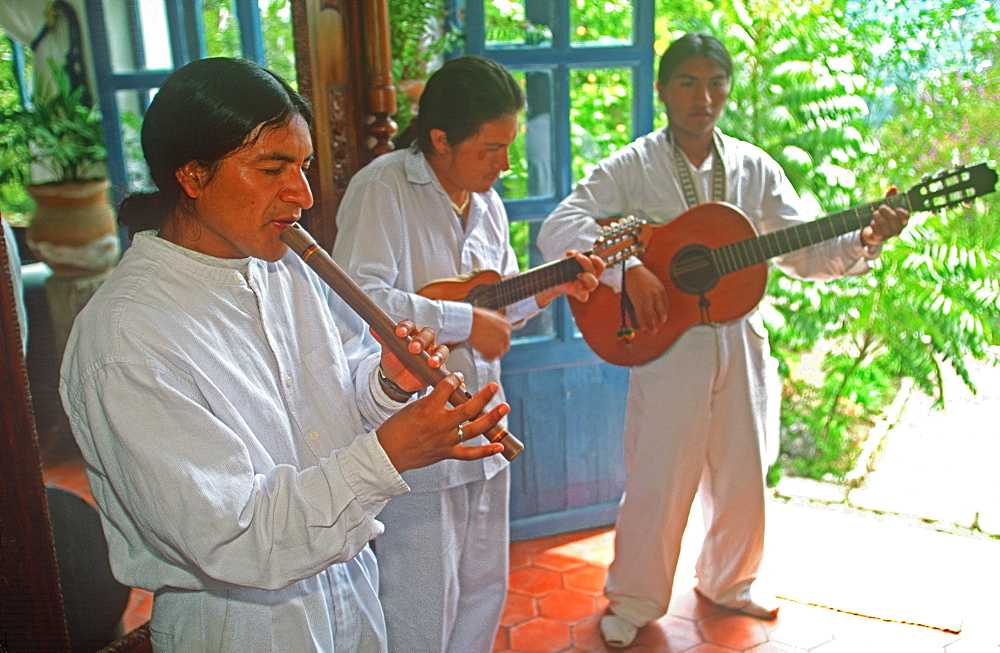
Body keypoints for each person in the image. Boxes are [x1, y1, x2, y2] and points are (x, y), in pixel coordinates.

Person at [58, 57, 510, 653]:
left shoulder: (280, 267)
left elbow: (320, 416)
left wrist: (387, 384)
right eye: (273, 168)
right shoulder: (125, 339)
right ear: (192, 175)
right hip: (243, 627)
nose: (301, 193)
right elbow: (234, 535)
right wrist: (391, 453)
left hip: (345, 590)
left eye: (302, 166)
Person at [536, 32, 910, 648]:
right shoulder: (633, 165)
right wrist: (628, 269)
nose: (702, 97)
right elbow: (563, 227)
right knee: (659, 474)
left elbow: (806, 251)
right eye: (687, 82)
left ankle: (731, 583)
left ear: (728, 90)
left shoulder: (754, 167)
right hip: (666, 343)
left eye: (714, 83)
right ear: (662, 90)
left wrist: (866, 238)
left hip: (740, 336)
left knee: (743, 468)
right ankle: (633, 599)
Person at [332, 55, 605, 653]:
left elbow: (497, 310)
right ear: (439, 138)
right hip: (418, 433)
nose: (505, 164)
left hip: (486, 424)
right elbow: (357, 297)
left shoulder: (488, 205)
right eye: (490, 148)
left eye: (509, 146)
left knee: (483, 589)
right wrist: (462, 319)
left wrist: (551, 287)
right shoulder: (382, 189)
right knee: (420, 599)